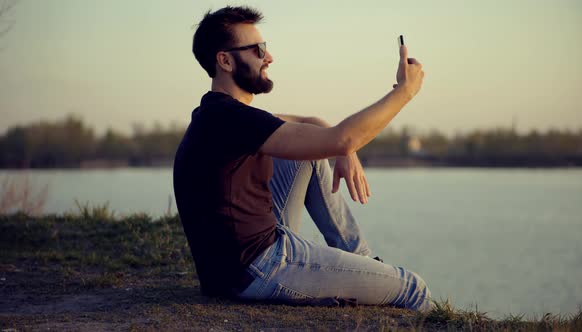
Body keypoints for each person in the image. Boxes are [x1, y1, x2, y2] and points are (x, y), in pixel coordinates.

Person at [173, 6, 432, 312]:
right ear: (225, 60)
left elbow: (313, 126)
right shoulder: (230, 118)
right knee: (413, 288)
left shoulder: (218, 114)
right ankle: (368, 271)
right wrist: (404, 92)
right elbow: (342, 137)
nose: (269, 57)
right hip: (255, 267)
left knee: (306, 158)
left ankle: (361, 261)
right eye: (258, 50)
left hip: (238, 262)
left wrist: (342, 151)